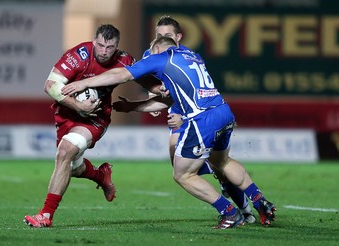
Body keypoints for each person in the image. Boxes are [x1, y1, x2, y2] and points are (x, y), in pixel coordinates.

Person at [61, 36, 276, 229]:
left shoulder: (162, 57)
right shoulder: (193, 56)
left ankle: (228, 212)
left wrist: (84, 82)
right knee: (223, 162)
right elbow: (170, 98)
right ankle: (260, 202)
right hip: (224, 111)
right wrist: (133, 106)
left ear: (157, 49)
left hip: (202, 119)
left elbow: (122, 74)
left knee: (183, 174)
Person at [141, 15, 256, 223]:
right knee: (177, 158)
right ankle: (224, 183)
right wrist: (152, 96)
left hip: (194, 114)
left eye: (167, 35)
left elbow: (197, 95)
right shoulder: (150, 54)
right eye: (158, 35)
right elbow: (151, 82)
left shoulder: (187, 56)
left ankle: (243, 209)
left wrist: (182, 118)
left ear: (178, 37)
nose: (161, 39)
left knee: (190, 166)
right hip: (178, 109)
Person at [24, 24, 136, 228]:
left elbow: (149, 79)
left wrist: (155, 96)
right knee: (72, 167)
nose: (103, 51)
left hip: (95, 117)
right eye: (100, 45)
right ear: (94, 41)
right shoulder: (79, 55)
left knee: (64, 153)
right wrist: (78, 105)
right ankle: (100, 175)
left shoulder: (124, 60)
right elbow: (50, 85)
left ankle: (45, 215)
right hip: (67, 114)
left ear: (117, 47)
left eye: (109, 47)